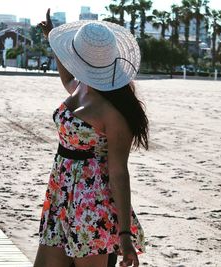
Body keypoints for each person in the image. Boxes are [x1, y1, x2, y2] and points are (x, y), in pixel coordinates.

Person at [35, 9, 148, 267]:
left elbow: (119, 172)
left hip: (92, 205)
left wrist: (125, 235)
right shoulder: (82, 87)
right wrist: (53, 38)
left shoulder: (114, 113)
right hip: (60, 196)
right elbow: (66, 77)